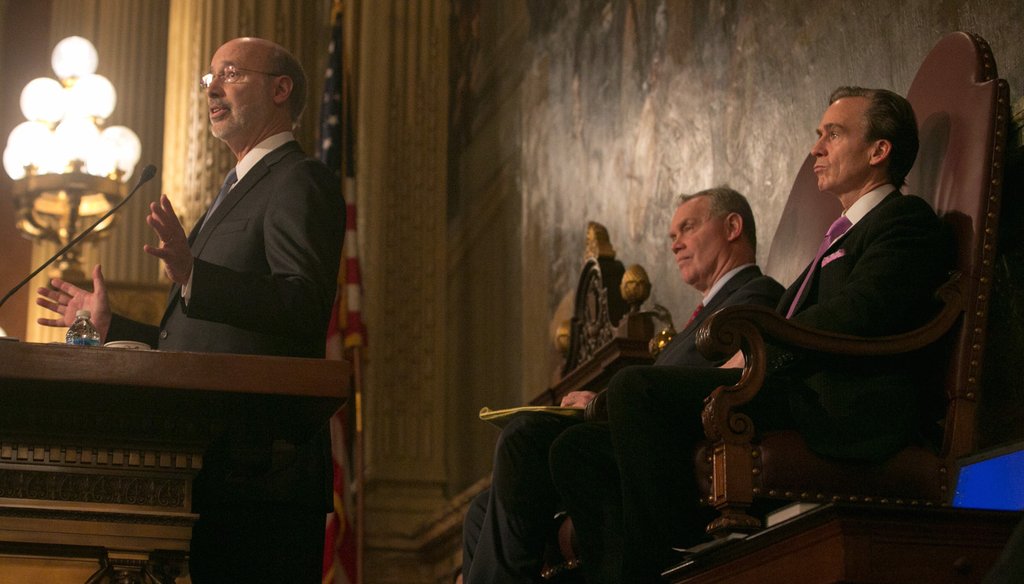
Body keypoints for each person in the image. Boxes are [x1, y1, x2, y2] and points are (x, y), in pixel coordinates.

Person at [549, 86, 954, 583]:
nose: (816, 147)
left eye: (833, 133)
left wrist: (763, 345)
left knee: (636, 388)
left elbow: (863, 313)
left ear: (878, 151)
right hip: (792, 385)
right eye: (817, 134)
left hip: (840, 400)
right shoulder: (839, 235)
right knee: (575, 450)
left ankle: (660, 563)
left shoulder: (902, 221)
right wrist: (745, 357)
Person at [35, 37, 344, 583]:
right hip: (207, 467)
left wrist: (196, 276)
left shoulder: (300, 180)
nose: (213, 88)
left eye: (230, 73)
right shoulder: (231, 193)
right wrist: (112, 328)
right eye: (209, 78)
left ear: (280, 89)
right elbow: (195, 342)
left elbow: (302, 305)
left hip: (263, 469)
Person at [461, 187, 785, 583]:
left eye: (688, 228)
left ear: (733, 226)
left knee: (524, 435)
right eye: (671, 237)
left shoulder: (757, 294)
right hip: (630, 432)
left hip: (665, 441)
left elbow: (686, 379)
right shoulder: (695, 318)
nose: (676, 244)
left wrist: (601, 401)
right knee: (480, 510)